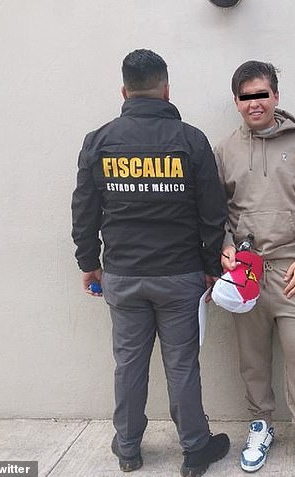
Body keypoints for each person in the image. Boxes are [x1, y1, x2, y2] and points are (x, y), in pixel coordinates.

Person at [71, 49, 230, 477]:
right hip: (179, 276)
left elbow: (84, 210)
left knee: (128, 364)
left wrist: (89, 261)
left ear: (124, 90)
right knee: (182, 366)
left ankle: (128, 448)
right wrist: (211, 268)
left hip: (123, 275)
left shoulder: (99, 140)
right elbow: (212, 214)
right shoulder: (190, 140)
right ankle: (195, 449)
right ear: (166, 89)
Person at [214, 60, 295, 477]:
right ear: (236, 102)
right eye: (246, 97)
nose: (254, 103)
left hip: (292, 272)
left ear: (276, 96)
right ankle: (260, 425)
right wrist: (226, 248)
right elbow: (217, 211)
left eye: (261, 94)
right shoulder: (225, 149)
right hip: (246, 274)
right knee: (252, 359)